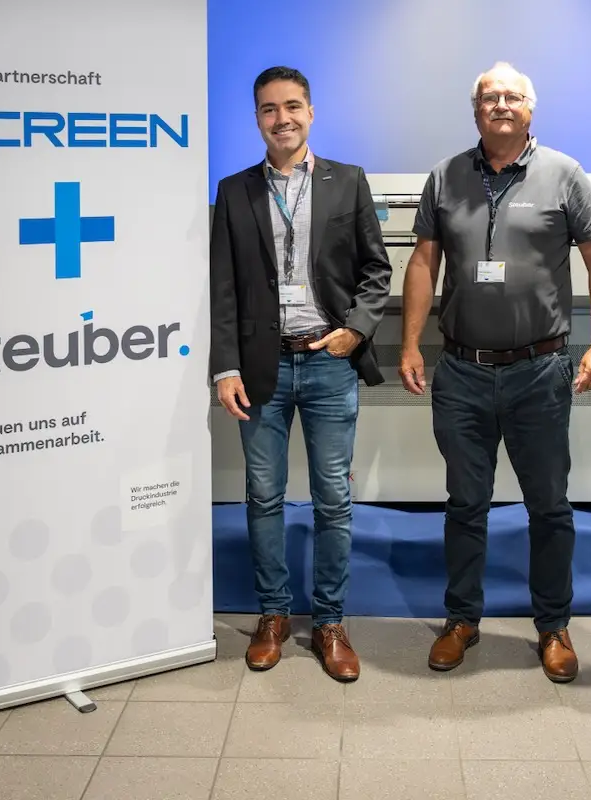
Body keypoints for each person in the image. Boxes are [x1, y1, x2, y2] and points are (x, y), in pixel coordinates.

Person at [398, 62, 591, 683]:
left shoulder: (564, 174)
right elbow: (423, 263)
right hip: (462, 372)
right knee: (465, 504)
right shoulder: (445, 176)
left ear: (531, 108)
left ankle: (553, 625)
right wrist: (410, 344)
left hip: (539, 372)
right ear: (475, 110)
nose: (500, 104)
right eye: (489, 97)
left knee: (548, 506)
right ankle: (461, 620)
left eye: (512, 96)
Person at [209, 66, 392, 682]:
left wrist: (356, 330)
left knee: (332, 499)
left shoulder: (349, 181)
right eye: (269, 109)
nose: (281, 118)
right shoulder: (234, 191)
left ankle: (331, 621)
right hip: (260, 366)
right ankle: (273, 614)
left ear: (311, 112)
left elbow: (376, 270)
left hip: (327, 362)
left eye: (292, 106)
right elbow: (224, 288)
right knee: (263, 496)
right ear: (257, 118)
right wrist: (225, 367)